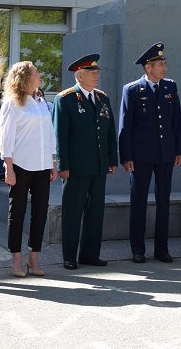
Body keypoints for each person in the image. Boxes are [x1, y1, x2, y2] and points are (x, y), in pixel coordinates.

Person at [118, 42, 181, 264]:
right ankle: (138, 249)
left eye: (165, 63)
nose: (164, 68)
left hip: (165, 155)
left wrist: (178, 150)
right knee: (139, 202)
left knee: (163, 201)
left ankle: (161, 249)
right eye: (160, 64)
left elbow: (176, 121)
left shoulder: (170, 87)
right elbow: (125, 126)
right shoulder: (132, 90)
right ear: (148, 68)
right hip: (140, 157)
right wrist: (126, 156)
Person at [54, 53, 118, 270]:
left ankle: (90, 254)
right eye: (92, 72)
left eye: (97, 71)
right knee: (73, 211)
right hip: (76, 167)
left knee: (95, 212)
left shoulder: (102, 98)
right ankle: (69, 256)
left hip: (99, 165)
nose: (97, 75)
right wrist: (62, 164)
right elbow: (60, 135)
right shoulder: (65, 99)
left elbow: (110, 132)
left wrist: (112, 159)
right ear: (79, 75)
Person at [0, 61, 56, 277]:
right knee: (17, 212)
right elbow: (5, 137)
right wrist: (8, 166)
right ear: (24, 77)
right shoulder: (12, 103)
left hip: (42, 165)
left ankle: (34, 258)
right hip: (21, 165)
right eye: (36, 72)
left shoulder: (41, 101)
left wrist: (52, 160)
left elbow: (49, 133)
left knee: (40, 212)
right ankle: (16, 259)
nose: (39, 75)